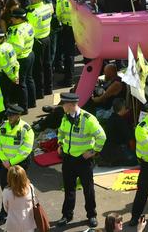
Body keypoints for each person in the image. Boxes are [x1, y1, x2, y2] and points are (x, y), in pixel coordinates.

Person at [55, 92, 107, 228]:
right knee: (68, 188)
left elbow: (102, 136)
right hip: (68, 159)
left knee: (88, 189)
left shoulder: (88, 119)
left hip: (83, 161)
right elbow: (60, 132)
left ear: (72, 105)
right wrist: (60, 144)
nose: (62, 107)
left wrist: (93, 151)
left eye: (64, 104)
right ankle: (67, 215)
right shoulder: (66, 117)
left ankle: (91, 215)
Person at [0, 104, 33, 219]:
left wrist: (11, 162)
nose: (9, 117)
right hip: (5, 163)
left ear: (18, 116)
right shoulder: (2, 126)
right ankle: (4, 211)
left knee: (20, 187)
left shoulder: (26, 129)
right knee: (5, 187)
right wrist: (4, 160)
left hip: (20, 164)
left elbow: (26, 149)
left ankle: (21, 211)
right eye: (8, 115)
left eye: (12, 115)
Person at [25, 0, 53, 97]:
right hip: (47, 38)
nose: (30, 0)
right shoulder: (47, 7)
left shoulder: (33, 13)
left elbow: (29, 29)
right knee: (48, 64)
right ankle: (49, 89)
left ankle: (40, 92)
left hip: (37, 42)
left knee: (38, 68)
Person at [7, 8, 35, 108]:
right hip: (30, 54)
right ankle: (32, 102)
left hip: (21, 58)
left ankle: (23, 107)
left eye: (13, 18)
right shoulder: (28, 25)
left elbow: (17, 48)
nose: (11, 19)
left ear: (19, 19)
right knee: (29, 79)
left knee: (21, 83)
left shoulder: (17, 31)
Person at [0, 165, 37, 231]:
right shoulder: (30, 187)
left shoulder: (7, 191)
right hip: (28, 222)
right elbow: (34, 202)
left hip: (12, 223)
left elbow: (5, 207)